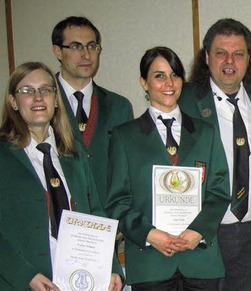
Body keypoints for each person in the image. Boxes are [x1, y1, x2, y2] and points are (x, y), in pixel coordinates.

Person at [105, 47, 230, 290]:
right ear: (144, 82)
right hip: (150, 263)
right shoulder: (124, 137)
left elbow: (219, 190)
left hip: (200, 260)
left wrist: (198, 231)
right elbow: (117, 201)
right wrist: (150, 235)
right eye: (159, 76)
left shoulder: (206, 133)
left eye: (175, 75)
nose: (169, 83)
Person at [0, 62, 122, 291]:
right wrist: (26, 275)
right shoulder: (3, 156)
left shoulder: (73, 154)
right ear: (13, 102)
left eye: (46, 90)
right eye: (27, 91)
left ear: (56, 101)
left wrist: (112, 266)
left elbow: (95, 212)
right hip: (22, 282)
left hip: (79, 279)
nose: (38, 97)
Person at [178, 18, 251, 290]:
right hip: (206, 229)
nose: (230, 61)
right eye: (221, 53)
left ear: (249, 59)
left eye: (238, 53)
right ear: (207, 57)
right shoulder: (184, 100)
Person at [51, 16, 133, 202]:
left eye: (91, 46)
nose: (86, 55)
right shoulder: (41, 103)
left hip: (109, 220)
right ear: (57, 51)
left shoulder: (119, 106)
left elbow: (128, 172)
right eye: (76, 46)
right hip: (59, 217)